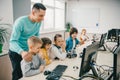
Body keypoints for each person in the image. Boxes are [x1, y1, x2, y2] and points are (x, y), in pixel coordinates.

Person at [8, 3, 46, 80]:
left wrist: (39, 50)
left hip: (28, 50)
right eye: (41, 16)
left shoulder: (38, 22)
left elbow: (36, 38)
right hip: (16, 51)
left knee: (29, 73)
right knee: (18, 75)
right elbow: (12, 41)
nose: (43, 19)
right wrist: (22, 52)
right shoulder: (20, 22)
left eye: (43, 16)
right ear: (33, 13)